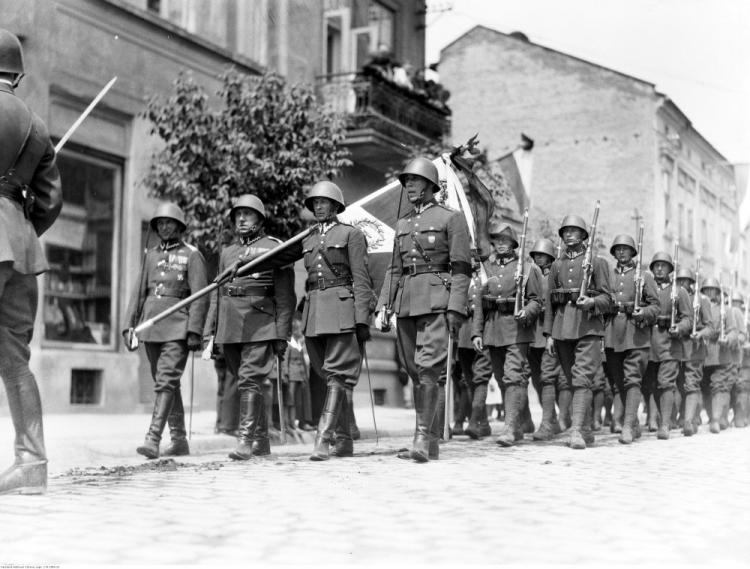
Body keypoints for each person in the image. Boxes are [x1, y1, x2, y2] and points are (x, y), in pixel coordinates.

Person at [376, 157, 471, 462]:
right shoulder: (402, 223)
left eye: (415, 181)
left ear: (431, 186)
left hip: (436, 302)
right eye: (407, 182)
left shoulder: (450, 218)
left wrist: (455, 309)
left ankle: (421, 439)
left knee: (429, 368)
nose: (410, 186)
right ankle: (429, 443)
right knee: (414, 370)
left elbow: (460, 268)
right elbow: (394, 269)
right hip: (406, 303)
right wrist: (384, 305)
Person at [0, 29, 62, 495]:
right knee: (16, 361)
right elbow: (51, 203)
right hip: (21, 251)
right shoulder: (37, 126)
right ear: (16, 74)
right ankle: (32, 462)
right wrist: (18, 233)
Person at [203, 194, 295, 460]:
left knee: (249, 379)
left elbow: (285, 295)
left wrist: (282, 334)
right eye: (237, 215)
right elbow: (217, 294)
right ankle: (262, 440)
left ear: (260, 219)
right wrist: (211, 332)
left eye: (248, 214)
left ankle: (244, 441)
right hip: (230, 327)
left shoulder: (275, 247)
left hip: (260, 324)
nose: (241, 219)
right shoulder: (228, 252)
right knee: (246, 382)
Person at [123, 203, 208, 459]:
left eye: (169, 222)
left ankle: (152, 439)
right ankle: (179, 440)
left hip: (178, 327)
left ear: (180, 226)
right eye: (160, 223)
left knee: (166, 380)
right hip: (151, 326)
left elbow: (200, 297)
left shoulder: (192, 255)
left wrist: (195, 331)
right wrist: (130, 325)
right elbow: (138, 293)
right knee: (169, 384)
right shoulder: (150, 255)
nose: (164, 227)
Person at [301, 181, 373, 461]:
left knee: (336, 375)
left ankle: (324, 439)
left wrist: (362, 319)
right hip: (314, 312)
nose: (318, 206)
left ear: (336, 206)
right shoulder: (306, 239)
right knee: (327, 375)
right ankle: (344, 439)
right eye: (314, 202)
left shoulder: (351, 234)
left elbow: (362, 279)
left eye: (323, 202)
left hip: (342, 310)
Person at [543, 213, 613, 450]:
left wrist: (592, 303)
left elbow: (608, 299)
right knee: (574, 379)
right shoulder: (556, 265)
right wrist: (549, 335)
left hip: (588, 327)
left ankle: (575, 431)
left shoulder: (597, 262)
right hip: (562, 328)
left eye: (574, 231)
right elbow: (549, 302)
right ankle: (584, 428)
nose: (569, 234)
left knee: (582, 378)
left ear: (584, 235)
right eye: (565, 231)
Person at [471, 221, 543, 447]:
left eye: (505, 240)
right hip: (493, 329)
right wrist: (476, 332)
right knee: (504, 379)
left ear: (513, 243)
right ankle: (520, 422)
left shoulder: (527, 268)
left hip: (516, 329)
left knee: (513, 375)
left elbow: (536, 300)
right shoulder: (487, 268)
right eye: (497, 240)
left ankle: (510, 428)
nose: (500, 244)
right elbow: (480, 302)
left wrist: (527, 311)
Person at [603, 235, 659, 444]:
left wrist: (642, 312)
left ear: (633, 252)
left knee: (632, 379)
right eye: (618, 249)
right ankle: (632, 421)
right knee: (619, 381)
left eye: (625, 249)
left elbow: (655, 306)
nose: (621, 252)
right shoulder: (608, 275)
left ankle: (627, 426)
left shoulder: (644, 276)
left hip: (636, 333)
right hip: (612, 334)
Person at [642, 252, 692, 440]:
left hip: (670, 343)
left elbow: (688, 318)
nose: (660, 268)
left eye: (664, 265)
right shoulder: (646, 288)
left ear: (670, 269)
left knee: (666, 383)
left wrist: (679, 327)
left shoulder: (679, 291)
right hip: (648, 341)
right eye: (656, 265)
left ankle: (665, 424)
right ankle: (657, 418)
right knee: (652, 385)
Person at [527, 238, 566, 441]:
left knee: (549, 377)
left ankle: (549, 422)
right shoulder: (531, 274)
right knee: (537, 378)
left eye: (542, 255)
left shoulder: (557, 273)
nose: (538, 258)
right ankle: (552, 419)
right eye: (536, 255)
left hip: (551, 331)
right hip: (533, 333)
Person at [675, 267, 713, 436]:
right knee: (678, 384)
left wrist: (701, 334)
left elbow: (710, 327)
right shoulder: (674, 296)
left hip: (695, 348)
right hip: (676, 347)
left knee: (691, 384)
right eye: (680, 281)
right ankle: (681, 417)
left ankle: (689, 421)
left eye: (686, 281)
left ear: (692, 283)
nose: (683, 284)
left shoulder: (701, 300)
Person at [699, 278, 738, 433]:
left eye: (712, 290)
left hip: (721, 354)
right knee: (705, 387)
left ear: (718, 292)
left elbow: (734, 331)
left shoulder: (726, 310)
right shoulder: (699, 307)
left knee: (719, 386)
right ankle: (714, 417)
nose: (709, 293)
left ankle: (716, 419)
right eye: (706, 289)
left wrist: (727, 338)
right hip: (702, 354)